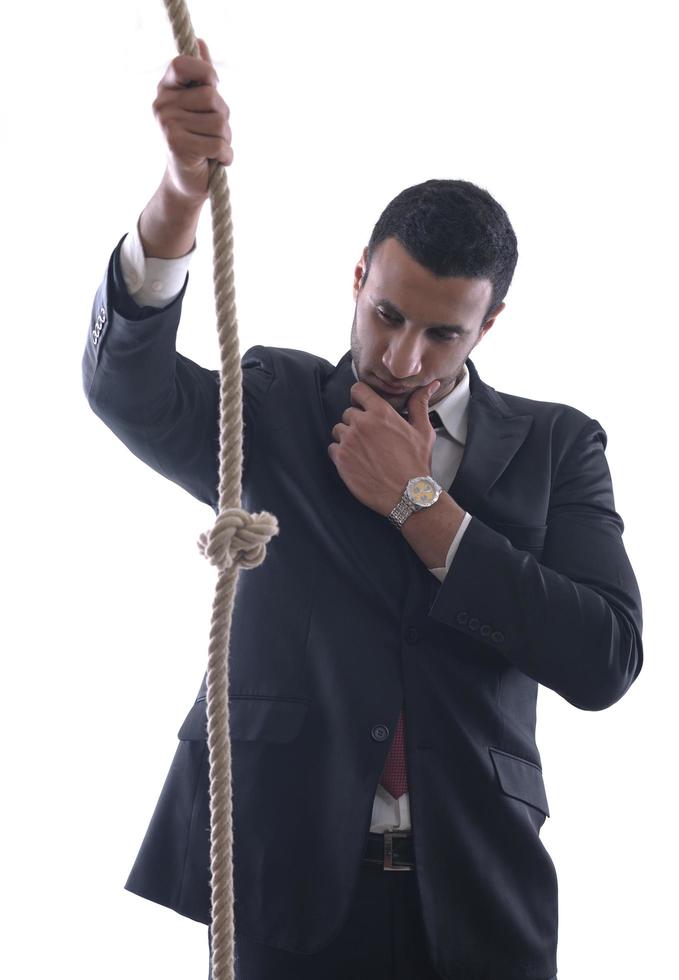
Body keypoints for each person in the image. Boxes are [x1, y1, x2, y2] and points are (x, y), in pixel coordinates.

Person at [81, 38, 643, 980]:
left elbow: (604, 659)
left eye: (442, 333)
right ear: (358, 278)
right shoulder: (278, 402)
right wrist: (179, 196)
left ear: (489, 324)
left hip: (477, 897)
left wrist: (424, 508)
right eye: (387, 315)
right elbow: (124, 390)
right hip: (284, 879)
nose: (405, 357)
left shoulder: (559, 445)